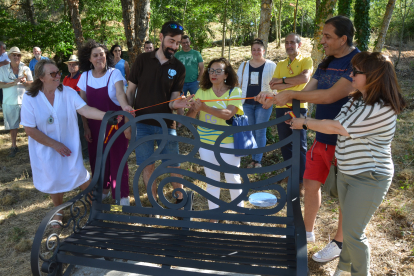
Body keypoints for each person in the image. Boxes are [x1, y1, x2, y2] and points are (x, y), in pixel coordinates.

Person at [289, 52, 405, 276]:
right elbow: (333, 123)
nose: (350, 74)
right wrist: (306, 122)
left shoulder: (382, 107)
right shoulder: (357, 99)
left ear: (372, 76)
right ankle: (342, 270)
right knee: (352, 229)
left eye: (356, 72)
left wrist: (303, 122)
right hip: (347, 173)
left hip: (369, 177)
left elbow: (337, 128)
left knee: (353, 234)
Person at [256, 16, 360, 262]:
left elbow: (331, 96)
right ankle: (307, 232)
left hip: (346, 140)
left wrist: (288, 92)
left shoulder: (357, 62)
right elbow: (307, 93)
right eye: (322, 35)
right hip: (321, 137)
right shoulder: (325, 63)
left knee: (346, 194)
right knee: (310, 184)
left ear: (343, 39)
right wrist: (276, 98)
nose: (321, 40)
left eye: (327, 37)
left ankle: (340, 241)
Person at [21, 59, 108, 228]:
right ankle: (58, 212)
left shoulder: (67, 92)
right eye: (52, 74)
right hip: (46, 148)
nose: (58, 76)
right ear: (41, 77)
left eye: (58, 72)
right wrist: (55, 145)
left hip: (70, 146)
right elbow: (30, 130)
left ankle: (96, 206)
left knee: (80, 174)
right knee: (54, 178)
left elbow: (85, 110)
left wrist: (107, 115)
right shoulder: (30, 98)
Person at [124, 21, 192, 202]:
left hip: (167, 124)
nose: (174, 47)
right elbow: (130, 92)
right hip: (141, 123)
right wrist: (127, 123)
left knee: (173, 165)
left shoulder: (179, 67)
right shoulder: (142, 60)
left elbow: (173, 101)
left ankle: (181, 201)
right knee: (147, 166)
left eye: (177, 43)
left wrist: (180, 105)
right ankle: (154, 204)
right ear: (161, 37)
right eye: (171, 41)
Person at [77, 40, 135, 206]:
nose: (99, 58)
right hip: (95, 128)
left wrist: (125, 107)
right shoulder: (84, 77)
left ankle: (122, 198)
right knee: (97, 160)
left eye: (102, 54)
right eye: (95, 55)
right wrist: (86, 127)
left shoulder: (114, 74)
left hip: (115, 125)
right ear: (89, 59)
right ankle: (103, 191)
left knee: (118, 160)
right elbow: (83, 105)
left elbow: (120, 94)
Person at [187, 57, 244, 222]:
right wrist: (189, 107)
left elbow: (228, 114)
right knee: (212, 179)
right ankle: (214, 214)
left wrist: (204, 107)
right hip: (205, 142)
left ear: (226, 74)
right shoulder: (201, 91)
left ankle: (239, 211)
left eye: (218, 71)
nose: (214, 74)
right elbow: (190, 118)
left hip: (228, 142)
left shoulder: (235, 92)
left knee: (233, 177)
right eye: (211, 70)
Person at [269, 33, 313, 194]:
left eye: (292, 43)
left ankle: (301, 180)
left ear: (299, 44)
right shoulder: (280, 63)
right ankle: (290, 173)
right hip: (281, 106)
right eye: (286, 43)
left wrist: (282, 81)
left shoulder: (306, 60)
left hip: (299, 106)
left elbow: (304, 79)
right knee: (285, 142)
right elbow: (274, 85)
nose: (289, 45)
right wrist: (286, 82)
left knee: (299, 144)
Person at [236, 38, 276, 169]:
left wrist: (271, 100)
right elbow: (238, 83)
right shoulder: (244, 65)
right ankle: (253, 158)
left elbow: (275, 86)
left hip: (263, 103)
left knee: (260, 131)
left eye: (259, 49)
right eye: (254, 49)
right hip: (246, 103)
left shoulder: (271, 65)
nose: (256, 52)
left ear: (263, 51)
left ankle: (257, 161)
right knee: (251, 131)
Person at [0, 46, 33, 157]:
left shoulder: (25, 68)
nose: (16, 57)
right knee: (13, 126)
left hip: (25, 102)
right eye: (14, 55)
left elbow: (32, 84)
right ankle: (14, 146)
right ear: (9, 56)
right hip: (9, 102)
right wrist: (13, 83)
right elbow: (0, 84)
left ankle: (30, 146)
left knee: (28, 125)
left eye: (18, 55)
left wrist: (25, 82)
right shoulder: (2, 69)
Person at [62, 54, 88, 161]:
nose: (71, 66)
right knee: (71, 131)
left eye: (74, 64)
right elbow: (61, 93)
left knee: (81, 130)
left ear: (78, 66)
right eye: (69, 64)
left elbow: (78, 95)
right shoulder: (66, 78)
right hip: (66, 109)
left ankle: (86, 154)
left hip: (78, 108)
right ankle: (75, 152)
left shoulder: (81, 77)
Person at [0, 41, 11, 110]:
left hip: (5, 81)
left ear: (1, 47)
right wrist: (2, 63)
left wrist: (3, 63)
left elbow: (10, 64)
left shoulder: (8, 55)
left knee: (4, 98)